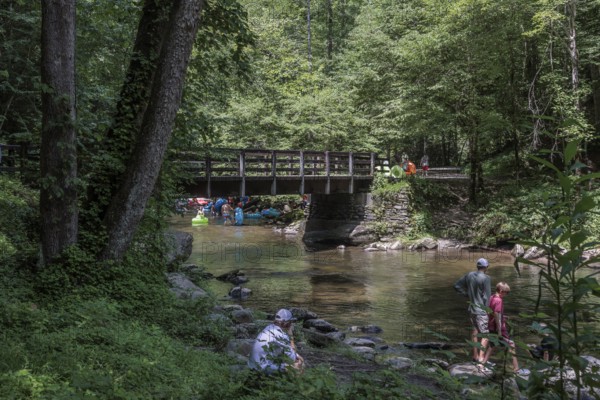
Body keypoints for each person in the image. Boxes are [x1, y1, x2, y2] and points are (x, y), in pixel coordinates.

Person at [480, 282, 530, 376]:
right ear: (501, 291)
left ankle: (482, 365)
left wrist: (503, 317)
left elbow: (492, 312)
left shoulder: (492, 297)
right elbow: (496, 314)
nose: (507, 294)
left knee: (492, 345)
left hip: (491, 326)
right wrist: (499, 330)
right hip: (498, 327)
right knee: (511, 344)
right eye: (507, 293)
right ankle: (516, 369)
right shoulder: (499, 300)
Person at [454, 258, 492, 363]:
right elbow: (487, 296)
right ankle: (481, 358)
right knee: (485, 335)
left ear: (477, 266)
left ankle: (475, 356)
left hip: (471, 309)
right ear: (486, 267)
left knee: (475, 332)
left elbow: (456, 286)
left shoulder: (469, 275)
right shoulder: (486, 278)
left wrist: (467, 294)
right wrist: (488, 310)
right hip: (482, 310)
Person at [248, 308, 304, 375]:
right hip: (262, 368)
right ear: (287, 324)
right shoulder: (282, 335)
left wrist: (297, 355)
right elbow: (292, 359)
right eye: (290, 322)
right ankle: (296, 383)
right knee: (297, 366)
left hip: (252, 365)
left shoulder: (268, 328)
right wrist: (291, 336)